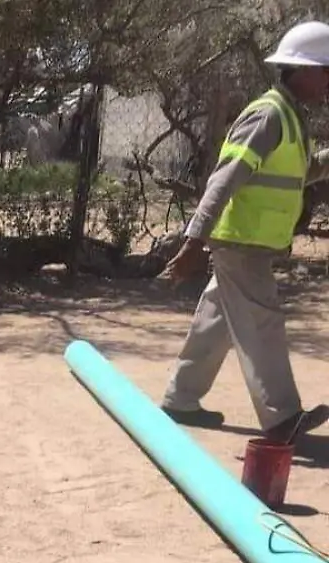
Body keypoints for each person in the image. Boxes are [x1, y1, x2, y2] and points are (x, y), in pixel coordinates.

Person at [160, 21, 329, 442]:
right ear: (303, 70)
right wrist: (194, 241)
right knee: (263, 321)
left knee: (215, 320)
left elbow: (299, 173)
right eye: (327, 71)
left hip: (250, 240)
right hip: (241, 240)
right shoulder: (268, 114)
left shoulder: (289, 117)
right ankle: (283, 418)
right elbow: (224, 178)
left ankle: (180, 399)